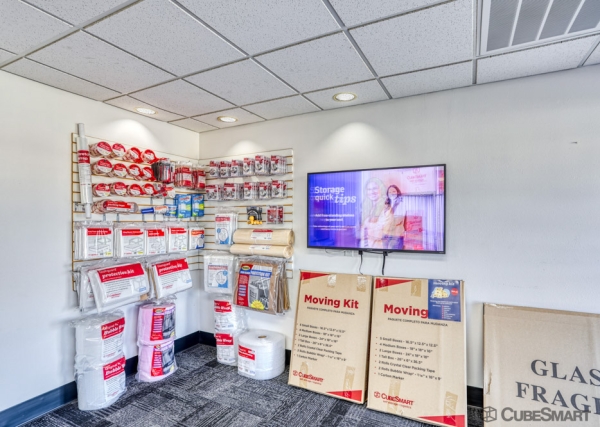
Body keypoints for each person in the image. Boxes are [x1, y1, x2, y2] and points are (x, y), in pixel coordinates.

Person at [360, 177, 387, 249]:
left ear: (381, 190)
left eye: (375, 188)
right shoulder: (367, 209)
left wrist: (367, 233)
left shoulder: (386, 209)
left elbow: (380, 234)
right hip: (363, 249)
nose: (372, 192)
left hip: (377, 249)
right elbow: (359, 233)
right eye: (369, 189)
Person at [383, 185, 406, 250]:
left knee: (394, 254)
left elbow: (398, 221)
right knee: (385, 253)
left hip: (396, 235)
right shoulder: (387, 205)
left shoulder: (401, 204)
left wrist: (387, 221)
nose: (392, 193)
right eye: (390, 192)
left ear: (397, 192)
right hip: (386, 234)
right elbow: (383, 219)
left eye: (394, 191)